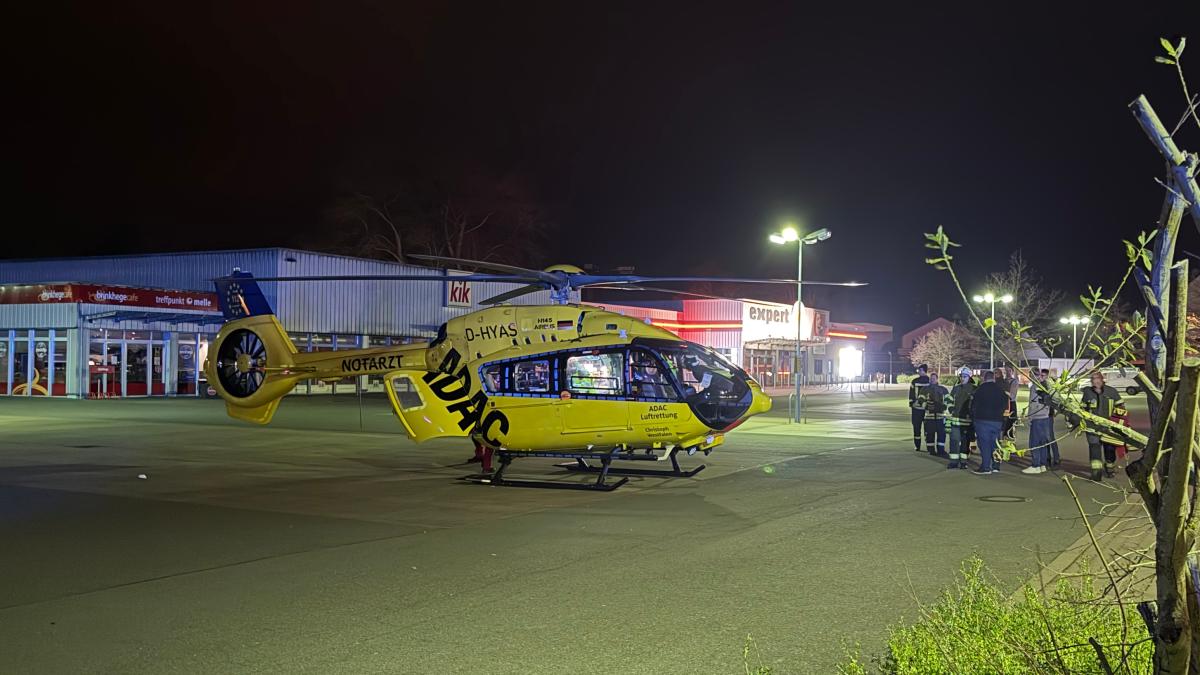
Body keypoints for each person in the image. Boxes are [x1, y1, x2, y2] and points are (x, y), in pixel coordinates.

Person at [1081, 371, 1124, 481]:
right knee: (1094, 449)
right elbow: (1082, 409)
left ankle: (1110, 468)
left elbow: (1121, 408)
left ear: (1102, 379)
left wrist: (1118, 424)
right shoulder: (1087, 393)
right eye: (1093, 379)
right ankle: (1096, 473)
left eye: (1097, 378)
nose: (1095, 381)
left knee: (1109, 449)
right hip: (1092, 427)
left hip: (1109, 427)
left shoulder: (1112, 392)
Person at [971, 370, 1010, 475]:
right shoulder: (1000, 390)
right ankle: (996, 466)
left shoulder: (980, 390)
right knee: (995, 444)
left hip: (982, 420)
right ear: (994, 378)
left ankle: (986, 467)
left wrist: (974, 417)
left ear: (984, 378)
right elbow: (1005, 403)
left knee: (984, 444)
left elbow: (974, 405)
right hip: (997, 421)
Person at [1022, 369, 1053, 474]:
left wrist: (1030, 417)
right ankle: (1043, 464)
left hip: (1037, 417)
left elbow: (1033, 404)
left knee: (1034, 442)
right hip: (1045, 416)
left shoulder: (1035, 387)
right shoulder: (1046, 385)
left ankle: (1036, 465)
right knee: (1042, 442)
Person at [947, 366, 976, 470]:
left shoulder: (974, 389)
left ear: (969, 377)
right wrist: (951, 409)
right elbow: (949, 400)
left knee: (965, 443)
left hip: (967, 421)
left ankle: (963, 462)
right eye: (961, 376)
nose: (962, 378)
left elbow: (976, 404)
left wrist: (971, 414)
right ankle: (953, 462)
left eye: (965, 376)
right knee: (954, 441)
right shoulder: (956, 388)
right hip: (955, 420)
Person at [920, 372, 950, 457]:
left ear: (937, 379)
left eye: (934, 378)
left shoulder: (943, 389)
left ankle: (941, 450)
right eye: (931, 378)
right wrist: (926, 406)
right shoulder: (924, 389)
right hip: (929, 417)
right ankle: (931, 450)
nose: (932, 380)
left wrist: (944, 406)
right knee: (929, 434)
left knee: (941, 434)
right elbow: (920, 399)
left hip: (940, 416)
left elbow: (948, 399)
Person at [908, 364, 931, 451]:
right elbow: (911, 393)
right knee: (918, 428)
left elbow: (933, 394)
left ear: (924, 371)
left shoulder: (928, 381)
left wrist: (912, 404)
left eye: (920, 370)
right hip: (920, 409)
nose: (918, 372)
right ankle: (919, 445)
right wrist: (912, 403)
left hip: (924, 409)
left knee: (926, 429)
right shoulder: (915, 381)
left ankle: (927, 445)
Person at [1042, 369, 1061, 467]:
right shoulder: (1041, 386)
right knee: (1044, 438)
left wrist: (1055, 411)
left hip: (1048, 415)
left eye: (1044, 376)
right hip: (1042, 415)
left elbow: (1056, 400)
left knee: (1050, 437)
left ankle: (1056, 457)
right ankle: (1047, 457)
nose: (1042, 377)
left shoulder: (1050, 388)